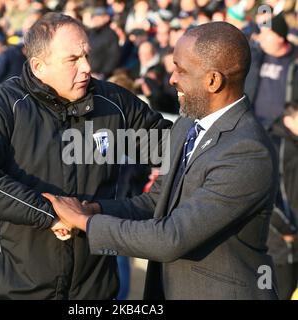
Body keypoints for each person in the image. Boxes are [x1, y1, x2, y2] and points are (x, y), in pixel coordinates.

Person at [43, 22, 280, 300]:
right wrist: (95, 209)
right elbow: (156, 202)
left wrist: (84, 222)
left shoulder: (248, 151)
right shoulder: (187, 123)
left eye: (180, 69)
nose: (172, 79)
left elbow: (171, 237)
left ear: (213, 81)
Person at [0, 13, 170, 300]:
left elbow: (176, 153)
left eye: (86, 55)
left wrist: (124, 211)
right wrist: (49, 214)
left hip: (93, 293)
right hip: (15, 290)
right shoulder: (7, 105)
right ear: (39, 66)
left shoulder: (115, 104)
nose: (87, 67)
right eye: (73, 60)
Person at [267, 102, 298, 299]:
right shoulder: (276, 145)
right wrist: (286, 229)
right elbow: (266, 194)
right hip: (281, 244)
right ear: (288, 120)